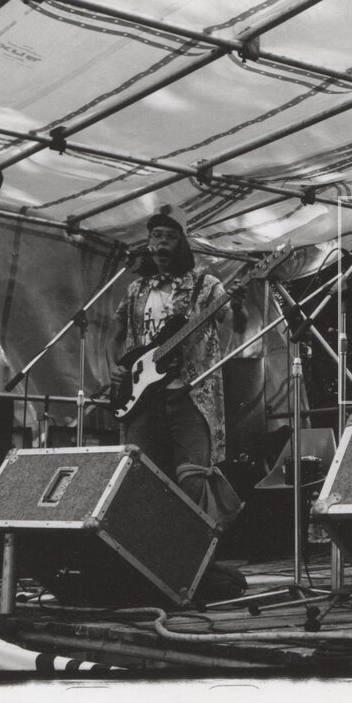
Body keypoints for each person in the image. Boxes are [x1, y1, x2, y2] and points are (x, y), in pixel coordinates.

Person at [110, 210, 247, 528]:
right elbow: (114, 335)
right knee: (140, 475)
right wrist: (114, 368)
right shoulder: (136, 289)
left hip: (190, 396)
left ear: (182, 243)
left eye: (170, 237)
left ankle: (195, 545)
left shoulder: (205, 285)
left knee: (193, 477)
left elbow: (237, 325)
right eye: (156, 236)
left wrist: (238, 305)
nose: (162, 243)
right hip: (142, 399)